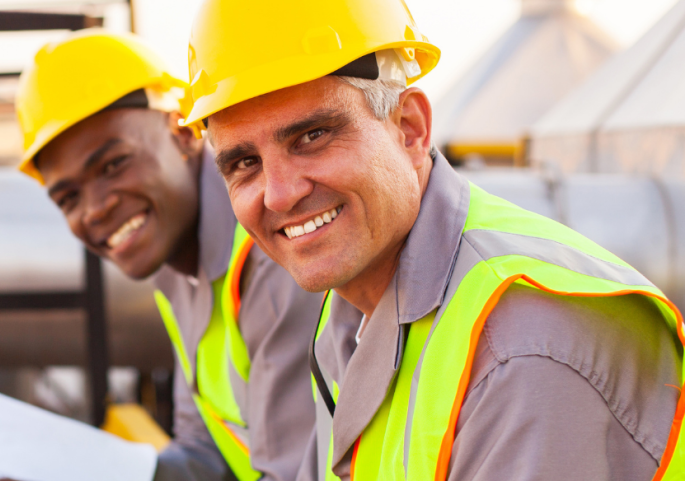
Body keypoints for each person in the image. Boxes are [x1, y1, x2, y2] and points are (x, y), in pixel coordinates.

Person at [179, 0, 685, 479]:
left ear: (409, 129)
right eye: (245, 163)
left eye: (312, 136)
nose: (280, 194)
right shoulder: (353, 307)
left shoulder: (522, 348)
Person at [14, 29, 325, 481]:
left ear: (182, 130)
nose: (95, 208)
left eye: (113, 164)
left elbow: (296, 471)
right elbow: (204, 450)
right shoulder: (177, 270)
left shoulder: (271, 255)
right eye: (68, 199)